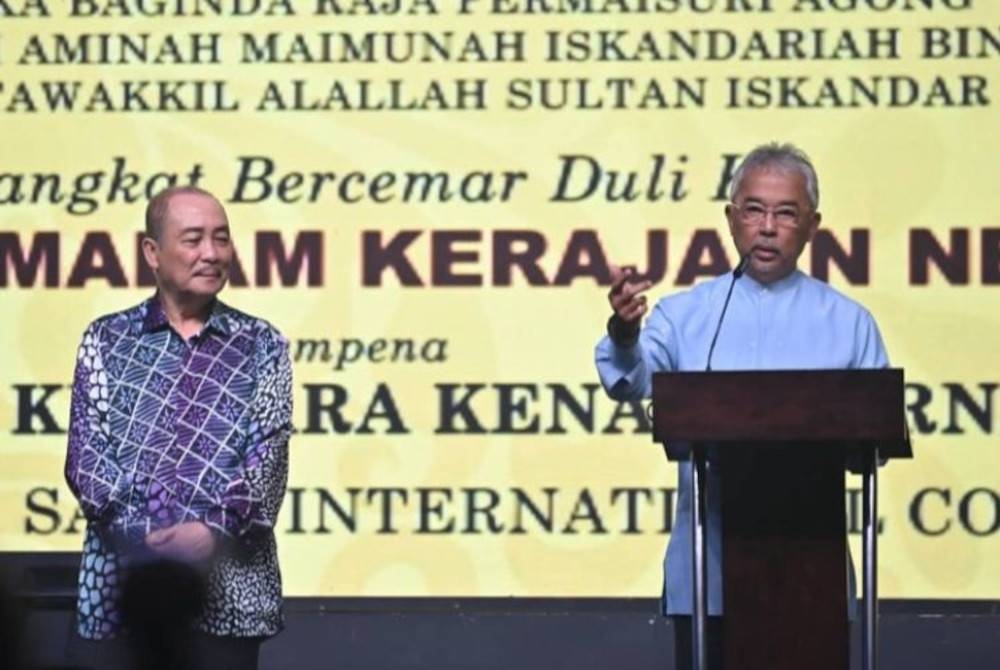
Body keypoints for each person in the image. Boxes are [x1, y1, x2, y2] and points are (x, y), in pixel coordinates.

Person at [595, 143, 888, 669]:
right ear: (731, 220)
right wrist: (625, 330)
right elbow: (630, 380)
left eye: (785, 212)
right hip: (709, 578)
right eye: (753, 210)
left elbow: (873, 442)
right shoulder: (685, 315)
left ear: (812, 225)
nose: (768, 227)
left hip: (811, 579)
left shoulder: (849, 322)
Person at [64, 186, 292, 669]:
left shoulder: (262, 344)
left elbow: (266, 463)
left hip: (228, 595)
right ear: (153, 251)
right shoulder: (106, 339)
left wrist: (211, 531)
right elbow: (87, 463)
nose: (211, 253)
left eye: (222, 239)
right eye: (193, 239)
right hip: (122, 594)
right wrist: (151, 539)